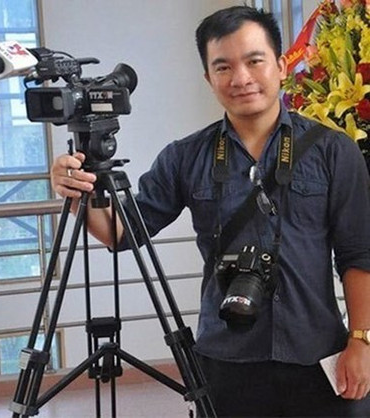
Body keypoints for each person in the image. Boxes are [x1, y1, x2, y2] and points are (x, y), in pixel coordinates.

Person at [50, 6, 370, 416]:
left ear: (280, 65)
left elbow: (358, 254)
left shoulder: (332, 151)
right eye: (223, 67)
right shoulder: (185, 157)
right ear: (208, 78)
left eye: (254, 61)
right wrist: (75, 194)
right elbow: (122, 232)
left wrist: (360, 340)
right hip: (224, 359)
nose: (241, 78)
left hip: (317, 352)